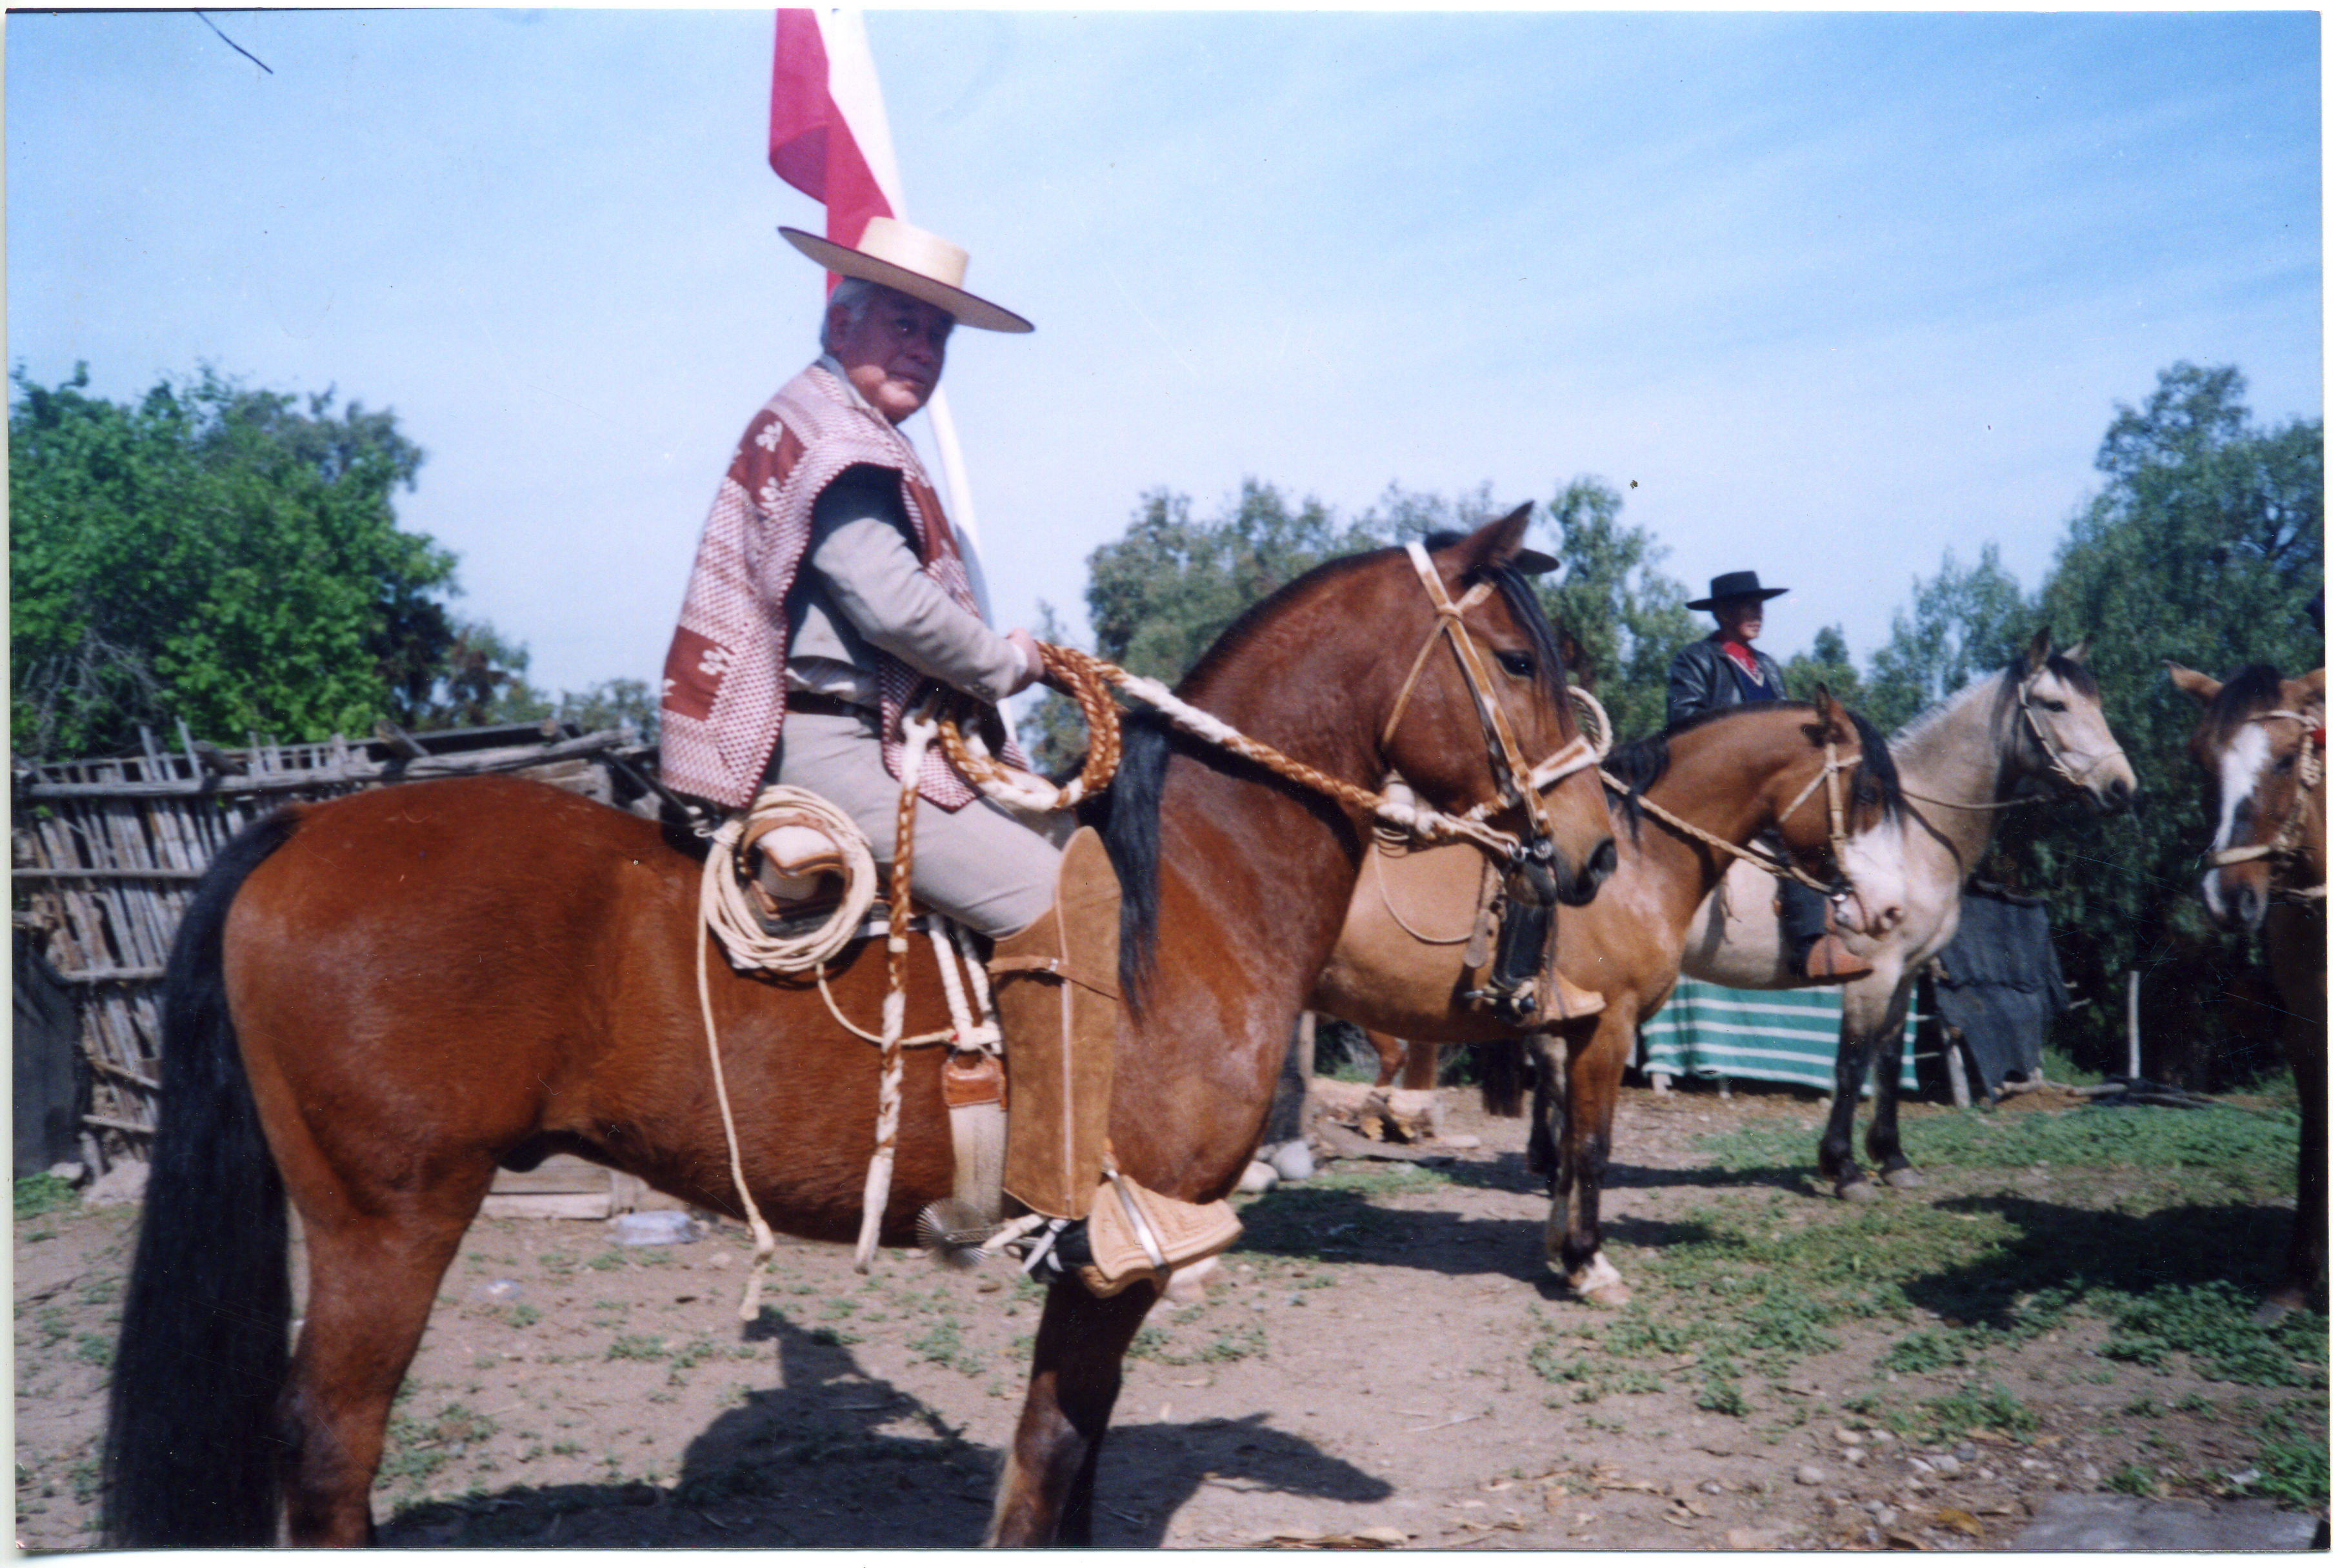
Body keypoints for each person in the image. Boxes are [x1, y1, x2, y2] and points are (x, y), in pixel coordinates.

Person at [658, 215, 1227, 1291]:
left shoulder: (825, 425)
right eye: (903, 325)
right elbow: (890, 606)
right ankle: (1069, 1206)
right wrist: (1005, 662)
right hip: (835, 748)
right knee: (1065, 898)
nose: (923, 350)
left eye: (939, 336)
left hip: (873, 737)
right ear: (842, 315)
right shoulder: (842, 447)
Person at [1666, 571, 1869, 982]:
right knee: (1801, 830)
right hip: (1719, 782)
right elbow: (1684, 726)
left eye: (1759, 606)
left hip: (1765, 783)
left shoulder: (1768, 668)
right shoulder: (1696, 660)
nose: (1757, 614)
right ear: (1722, 613)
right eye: (1746, 606)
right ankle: (1810, 941)